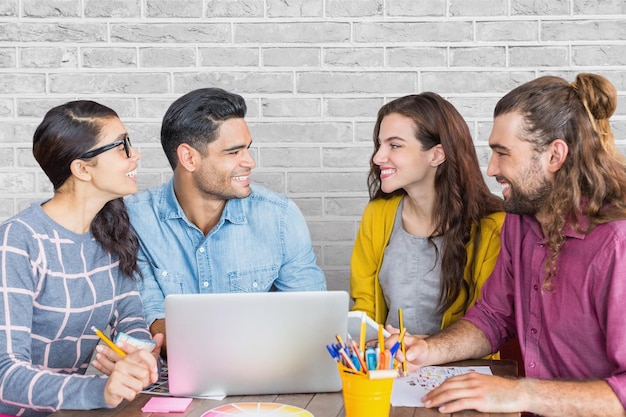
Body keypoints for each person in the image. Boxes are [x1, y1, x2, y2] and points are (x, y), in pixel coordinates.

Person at [396, 73, 626, 416]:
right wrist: (427, 351)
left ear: (554, 156)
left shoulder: (616, 245)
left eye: (502, 153)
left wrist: (522, 394)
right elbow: (493, 316)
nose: (490, 169)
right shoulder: (521, 220)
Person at [125, 88, 326, 352]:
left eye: (248, 149)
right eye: (234, 152)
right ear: (189, 158)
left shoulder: (280, 217)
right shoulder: (135, 219)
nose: (250, 162)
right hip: (173, 376)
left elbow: (312, 318)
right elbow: (149, 318)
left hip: (265, 370)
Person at [0, 101, 162, 417]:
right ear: (82, 168)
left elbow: (130, 318)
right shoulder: (17, 241)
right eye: (122, 147)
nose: (135, 155)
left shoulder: (111, 232)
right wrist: (98, 390)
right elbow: (5, 374)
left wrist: (136, 356)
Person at [350, 92, 504, 336]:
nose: (378, 157)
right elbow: (365, 305)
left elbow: (489, 325)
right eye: (380, 144)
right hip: (392, 364)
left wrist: (422, 348)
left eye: (395, 145)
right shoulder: (376, 216)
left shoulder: (492, 227)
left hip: (463, 368)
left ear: (437, 154)